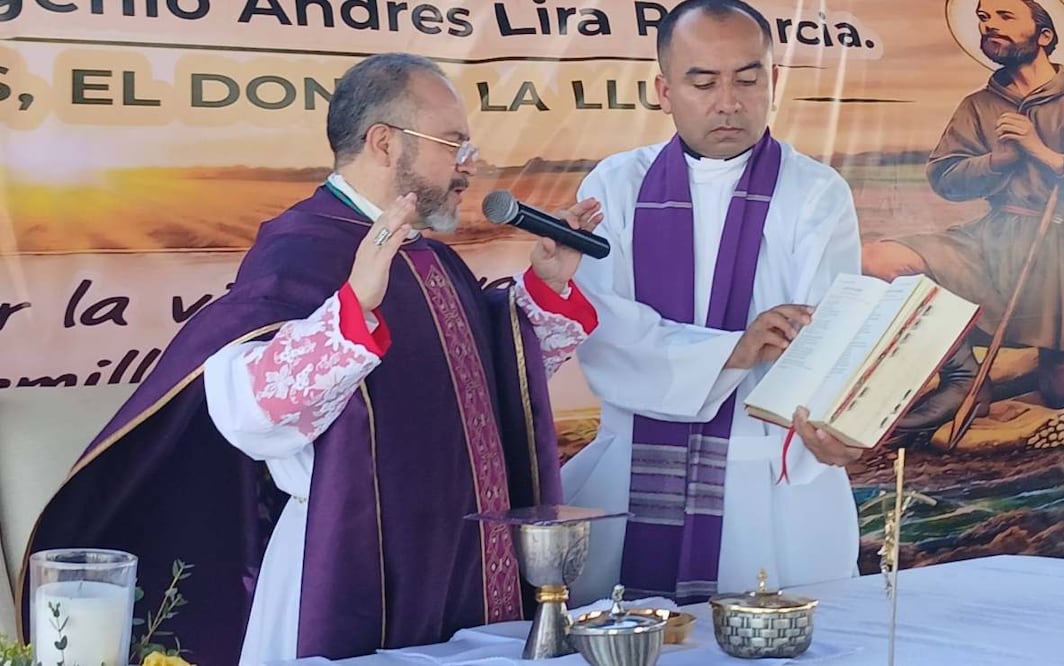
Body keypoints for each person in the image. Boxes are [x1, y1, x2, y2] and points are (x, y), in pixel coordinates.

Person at [20, 53, 603, 665]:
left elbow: (478, 387)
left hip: (454, 559)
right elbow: (246, 410)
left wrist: (545, 289)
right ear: (384, 142)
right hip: (349, 558)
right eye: (453, 142)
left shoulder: (426, 254)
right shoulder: (305, 246)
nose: (470, 164)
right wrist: (351, 313)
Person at [560, 0, 866, 606]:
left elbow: (830, 334)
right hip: (637, 469)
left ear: (774, 82)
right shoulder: (615, 187)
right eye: (703, 81)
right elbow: (602, 326)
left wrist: (839, 420)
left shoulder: (815, 192)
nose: (729, 101)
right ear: (664, 89)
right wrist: (734, 349)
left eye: (748, 79)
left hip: (769, 473)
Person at [863, 0, 1064, 434]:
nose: (989, 25)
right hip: (992, 242)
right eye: (983, 17)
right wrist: (997, 161)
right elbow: (945, 177)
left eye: (1004, 16)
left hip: (1062, 254)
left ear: (1045, 36)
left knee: (1063, 390)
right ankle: (963, 378)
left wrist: (1043, 155)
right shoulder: (979, 105)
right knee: (879, 260)